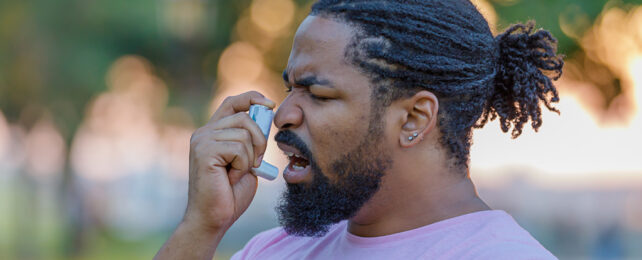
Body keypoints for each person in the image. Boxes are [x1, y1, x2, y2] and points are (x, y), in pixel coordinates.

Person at [155, 0, 563, 259]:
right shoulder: (274, 250)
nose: (283, 115)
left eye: (318, 94)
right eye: (290, 88)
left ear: (414, 118)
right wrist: (202, 227)